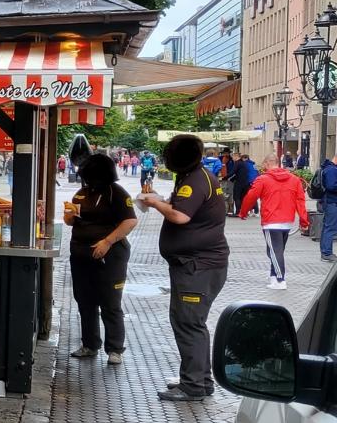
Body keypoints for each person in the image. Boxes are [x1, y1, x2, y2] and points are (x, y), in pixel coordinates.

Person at [138, 134, 229, 402]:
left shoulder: (195, 181)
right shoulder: (195, 177)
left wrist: (154, 203)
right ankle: (200, 379)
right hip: (196, 265)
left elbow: (180, 216)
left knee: (189, 323)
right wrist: (160, 200)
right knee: (190, 322)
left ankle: (193, 386)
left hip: (197, 267)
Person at [64, 154, 138, 365]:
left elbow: (130, 221)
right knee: (84, 301)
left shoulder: (117, 193)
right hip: (81, 255)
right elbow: (69, 221)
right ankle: (90, 344)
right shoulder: (82, 193)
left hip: (110, 257)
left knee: (110, 303)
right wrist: (70, 215)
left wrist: (107, 241)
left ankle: (115, 349)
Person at [238, 154, 309, 290]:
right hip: (287, 220)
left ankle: (280, 280)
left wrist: (243, 212)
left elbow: (251, 196)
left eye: (263, 165)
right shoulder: (294, 179)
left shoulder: (263, 179)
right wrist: (304, 221)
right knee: (277, 250)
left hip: (271, 220)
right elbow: (300, 201)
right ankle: (273, 277)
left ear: (267, 163)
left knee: (274, 251)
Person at [320, 154, 337, 263]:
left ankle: (325, 252)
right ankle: (326, 253)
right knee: (330, 227)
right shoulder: (331, 170)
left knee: (328, 227)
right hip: (332, 202)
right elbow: (331, 186)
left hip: (330, 202)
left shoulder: (330, 168)